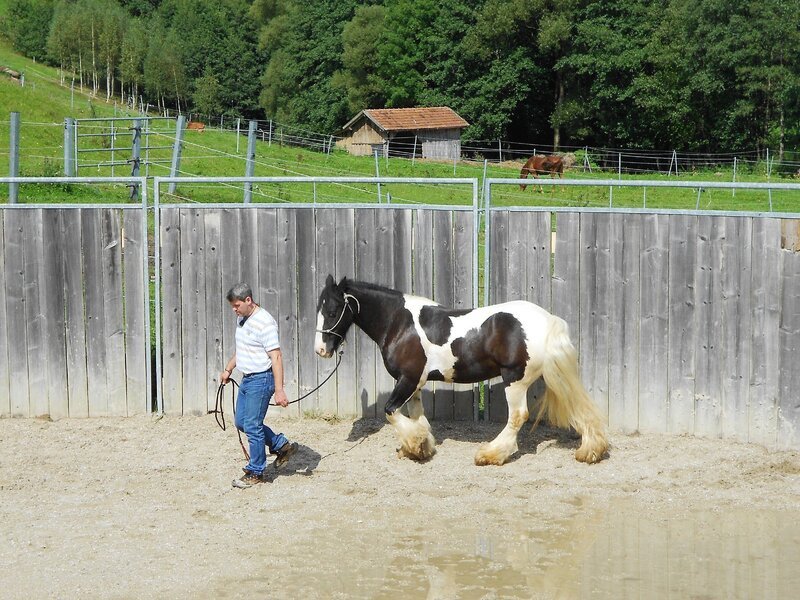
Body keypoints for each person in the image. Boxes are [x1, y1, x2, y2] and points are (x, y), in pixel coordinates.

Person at [220, 282, 298, 488]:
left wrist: (279, 390)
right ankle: (281, 445)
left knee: (253, 426)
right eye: (232, 307)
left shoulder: (265, 323)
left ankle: (256, 471)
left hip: (262, 379)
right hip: (247, 377)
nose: (234, 310)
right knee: (241, 423)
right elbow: (243, 349)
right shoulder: (242, 319)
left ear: (248, 300)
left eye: (237, 305)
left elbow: (276, 356)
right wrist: (228, 369)